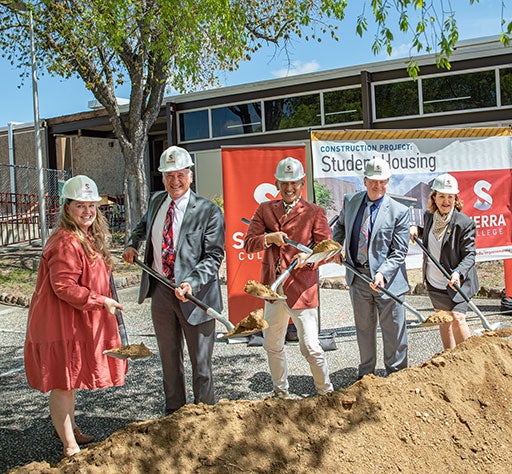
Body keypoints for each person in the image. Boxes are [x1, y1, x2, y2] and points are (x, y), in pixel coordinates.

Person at [24, 175, 126, 459]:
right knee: (63, 382)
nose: (87, 211)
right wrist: (100, 300)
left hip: (74, 322)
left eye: (91, 206)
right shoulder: (66, 241)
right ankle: (70, 446)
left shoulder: (86, 236)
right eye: (80, 205)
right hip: (59, 324)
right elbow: (63, 286)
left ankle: (68, 430)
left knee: (70, 381)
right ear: (67, 208)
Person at [123, 146, 225, 415]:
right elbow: (142, 226)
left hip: (196, 297)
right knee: (169, 363)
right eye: (169, 175)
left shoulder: (208, 211)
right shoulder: (157, 201)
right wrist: (133, 244)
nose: (175, 181)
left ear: (190, 175)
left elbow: (214, 256)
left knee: (201, 367)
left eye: (180, 174)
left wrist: (192, 281)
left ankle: (204, 420)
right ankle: (174, 417)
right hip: (161, 293)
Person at [244, 157, 333, 398]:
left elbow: (328, 249)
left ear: (302, 183)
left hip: (302, 288)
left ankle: (326, 392)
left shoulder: (315, 212)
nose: (289, 188)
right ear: (277, 184)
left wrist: (310, 259)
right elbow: (248, 244)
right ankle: (280, 392)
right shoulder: (265, 210)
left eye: (294, 183)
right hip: (273, 290)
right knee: (272, 344)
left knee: (311, 347)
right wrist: (269, 239)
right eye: (284, 183)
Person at [332, 157, 409, 380]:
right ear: (364, 180)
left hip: (388, 283)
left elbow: (399, 252)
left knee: (393, 331)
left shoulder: (399, 211)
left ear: (388, 181)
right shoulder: (351, 201)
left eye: (383, 181)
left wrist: (383, 273)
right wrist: (336, 248)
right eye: (373, 181)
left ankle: (396, 375)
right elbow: (340, 226)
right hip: (358, 278)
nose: (378, 186)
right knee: (364, 329)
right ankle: (367, 375)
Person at [410, 173, 477, 350]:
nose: (446, 201)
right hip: (435, 281)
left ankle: (469, 360)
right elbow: (431, 236)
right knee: (443, 319)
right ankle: (450, 359)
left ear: (456, 198)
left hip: (457, 282)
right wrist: (416, 229)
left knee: (458, 318)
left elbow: (470, 255)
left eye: (450, 197)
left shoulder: (464, 223)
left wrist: (458, 272)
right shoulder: (429, 217)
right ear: (434, 197)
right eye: (441, 196)